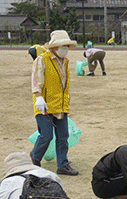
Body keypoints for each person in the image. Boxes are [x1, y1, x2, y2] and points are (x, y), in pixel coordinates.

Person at [30, 30, 79, 176]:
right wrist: (38, 96)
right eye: (63, 46)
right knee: (46, 135)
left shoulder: (65, 62)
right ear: (54, 47)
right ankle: (34, 160)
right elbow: (36, 80)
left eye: (67, 46)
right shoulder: (42, 59)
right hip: (44, 104)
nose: (65, 49)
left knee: (63, 136)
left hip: (61, 105)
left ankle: (62, 164)